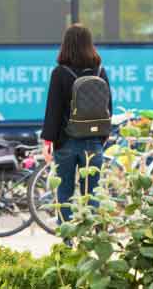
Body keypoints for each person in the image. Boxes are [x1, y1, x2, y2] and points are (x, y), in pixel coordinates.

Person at [41, 24, 112, 222]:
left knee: (64, 194)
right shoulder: (100, 72)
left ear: (66, 44)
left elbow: (53, 110)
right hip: (93, 142)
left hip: (66, 142)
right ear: (90, 44)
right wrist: (102, 137)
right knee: (93, 195)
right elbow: (108, 107)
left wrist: (48, 142)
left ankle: (68, 243)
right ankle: (94, 238)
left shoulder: (60, 73)